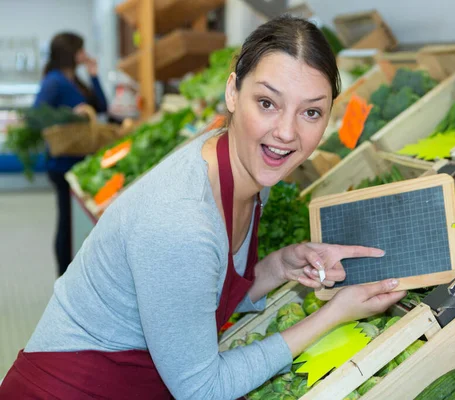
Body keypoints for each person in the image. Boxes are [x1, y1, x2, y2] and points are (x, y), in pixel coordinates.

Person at [0, 16, 405, 399]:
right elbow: (202, 390)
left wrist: (281, 266)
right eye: (267, 103)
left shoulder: (240, 167)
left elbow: (198, 297)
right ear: (233, 92)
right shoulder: (182, 220)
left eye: (311, 112)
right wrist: (331, 316)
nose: (286, 132)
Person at [34, 32, 108, 277]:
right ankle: (63, 276)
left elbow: (102, 107)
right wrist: (69, 115)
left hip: (79, 159)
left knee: (72, 222)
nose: (83, 55)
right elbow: (38, 115)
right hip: (62, 163)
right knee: (66, 222)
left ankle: (72, 273)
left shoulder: (74, 79)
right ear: (69, 53)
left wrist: (94, 72)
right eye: (80, 50)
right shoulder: (54, 80)